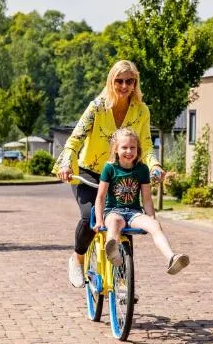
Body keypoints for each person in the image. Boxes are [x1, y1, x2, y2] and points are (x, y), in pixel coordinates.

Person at [53, 59, 165, 287]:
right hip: (90, 171)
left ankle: (124, 281)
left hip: (123, 173)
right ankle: (77, 259)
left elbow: (145, 143)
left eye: (129, 81)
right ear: (111, 81)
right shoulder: (97, 107)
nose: (124, 86)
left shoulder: (141, 110)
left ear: (135, 83)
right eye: (119, 81)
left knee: (126, 218)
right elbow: (75, 139)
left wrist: (154, 166)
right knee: (89, 216)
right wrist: (66, 164)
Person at [94, 127, 189, 274]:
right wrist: (99, 220)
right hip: (113, 211)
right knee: (115, 222)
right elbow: (100, 197)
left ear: (138, 149)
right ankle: (112, 249)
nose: (129, 151)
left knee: (154, 225)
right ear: (116, 149)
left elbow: (147, 199)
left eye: (133, 148)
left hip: (133, 213)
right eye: (124, 147)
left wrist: (152, 218)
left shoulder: (142, 169)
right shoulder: (110, 168)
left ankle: (171, 257)